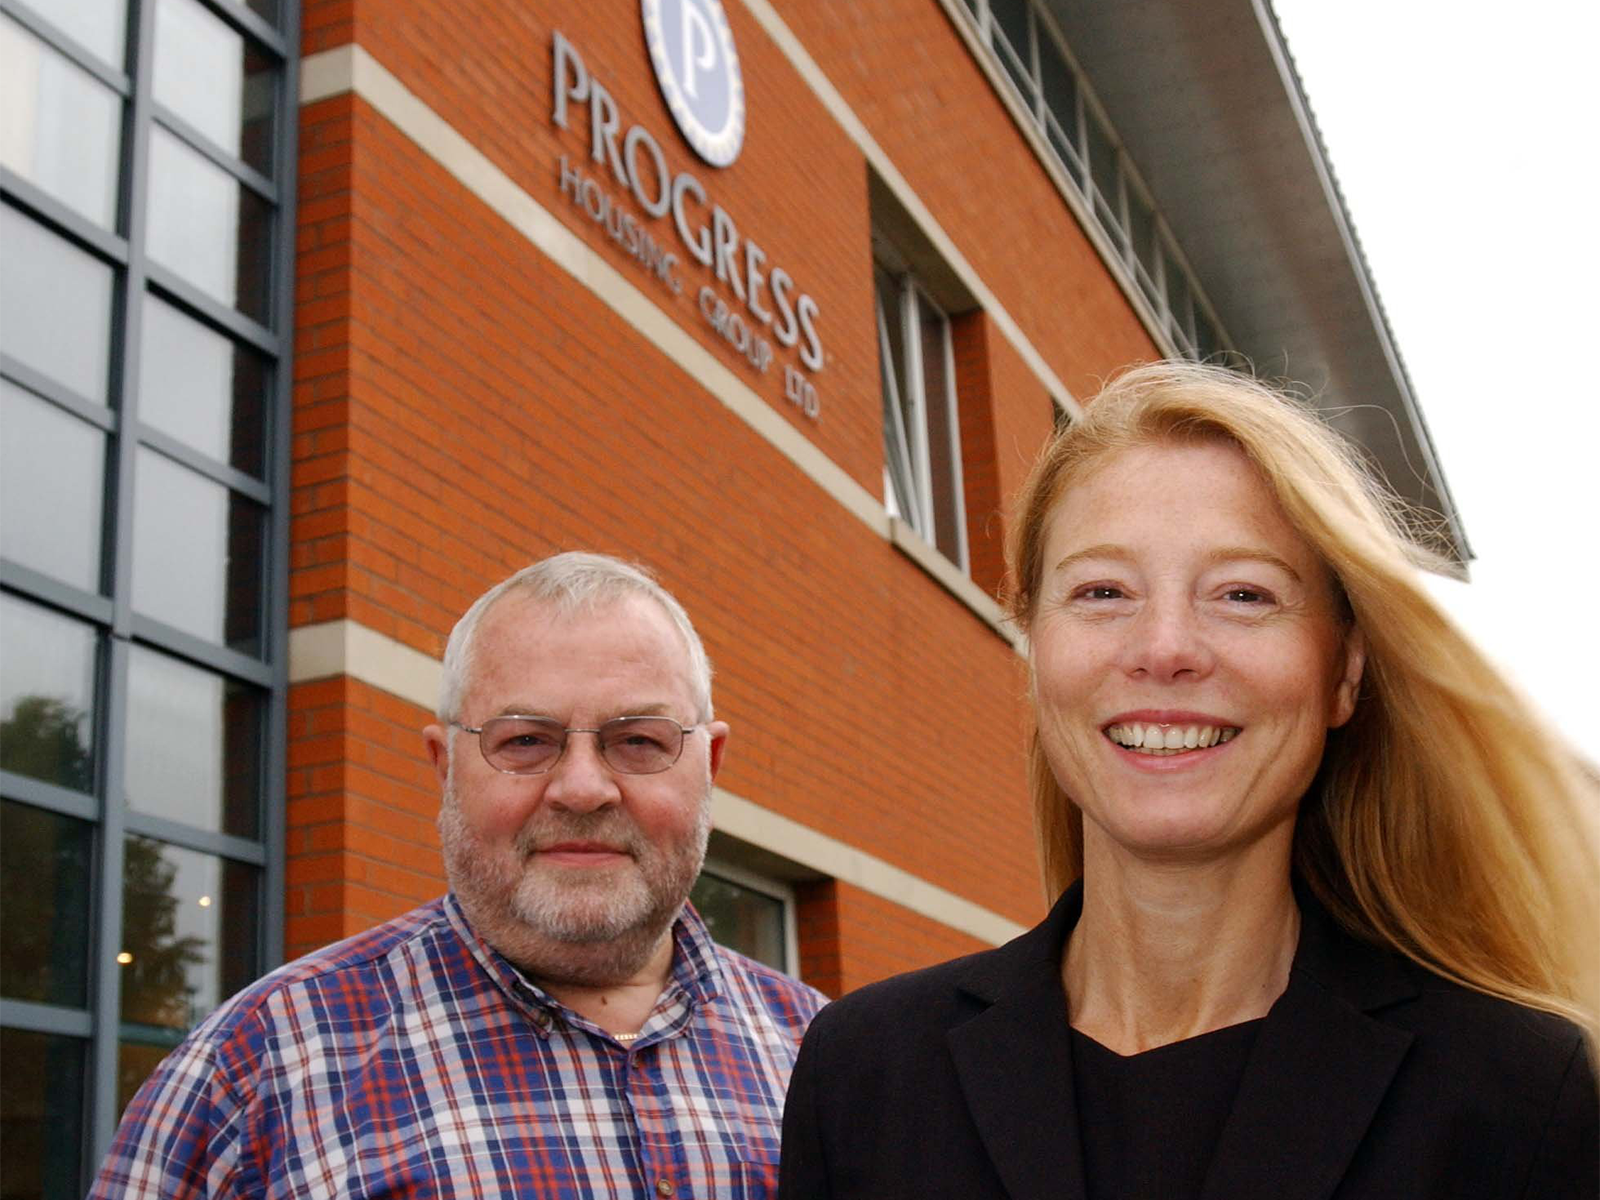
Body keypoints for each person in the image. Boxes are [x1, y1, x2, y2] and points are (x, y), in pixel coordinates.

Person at [779, 362, 1600, 1199]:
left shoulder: (1523, 1097)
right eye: (1102, 591)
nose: (1164, 647)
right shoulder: (864, 1073)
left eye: (1243, 594)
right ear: (1035, 650)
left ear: (1344, 673)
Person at [92, 552, 825, 1199]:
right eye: (526, 740)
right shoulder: (253, 1071)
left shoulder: (831, 1056)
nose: (581, 788)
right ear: (446, 768)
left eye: (638, 741)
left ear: (710, 767)